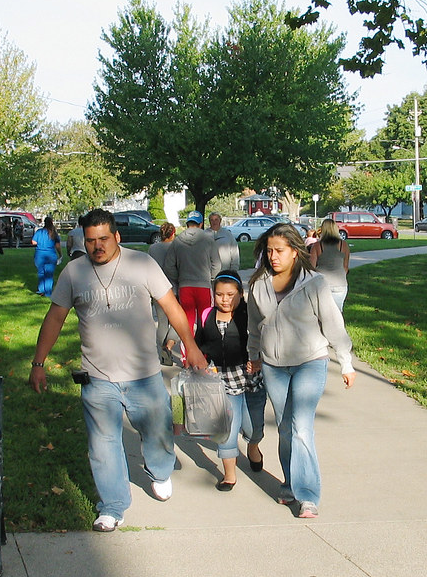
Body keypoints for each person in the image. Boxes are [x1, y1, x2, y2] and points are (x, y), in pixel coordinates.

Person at [29, 208, 207, 532]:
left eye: (103, 239)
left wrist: (191, 346)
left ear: (117, 237)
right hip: (98, 377)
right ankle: (112, 506)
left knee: (157, 432)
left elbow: (171, 306)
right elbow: (55, 318)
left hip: (144, 374)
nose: (97, 246)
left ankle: (160, 471)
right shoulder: (74, 272)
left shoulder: (141, 264)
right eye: (91, 240)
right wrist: (38, 363)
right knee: (103, 445)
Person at [247, 223, 356, 519]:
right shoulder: (258, 284)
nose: (273, 256)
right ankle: (290, 484)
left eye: (279, 251)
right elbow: (254, 326)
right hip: (274, 365)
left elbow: (333, 324)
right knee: (285, 428)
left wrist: (345, 362)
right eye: (269, 251)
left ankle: (307, 496)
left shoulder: (314, 283)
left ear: (295, 251)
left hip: (310, 361)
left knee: (302, 427)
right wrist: (254, 356)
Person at [194, 270, 262, 490]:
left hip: (251, 381)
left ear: (241, 294)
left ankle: (253, 446)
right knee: (227, 430)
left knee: (253, 428)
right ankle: (229, 475)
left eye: (230, 295)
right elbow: (199, 344)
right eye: (219, 294)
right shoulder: (207, 315)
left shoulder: (249, 315)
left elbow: (265, 341)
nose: (225, 300)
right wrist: (200, 364)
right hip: (222, 382)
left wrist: (258, 360)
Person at [165, 210, 220, 334]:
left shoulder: (177, 241)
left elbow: (169, 266)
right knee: (204, 320)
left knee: (187, 321)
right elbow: (217, 264)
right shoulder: (208, 240)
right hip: (203, 286)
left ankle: (187, 346)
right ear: (201, 224)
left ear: (187, 224)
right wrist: (210, 277)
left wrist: (179, 277)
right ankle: (203, 346)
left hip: (185, 286)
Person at [148, 222, 179, 365]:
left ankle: (159, 351)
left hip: (157, 289)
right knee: (177, 321)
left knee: (162, 322)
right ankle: (169, 346)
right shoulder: (176, 247)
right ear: (173, 233)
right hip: (173, 289)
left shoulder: (153, 248)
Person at [309, 219, 351, 312]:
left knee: (322, 312)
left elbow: (311, 268)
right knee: (337, 312)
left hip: (322, 284)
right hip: (340, 284)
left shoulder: (317, 246)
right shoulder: (343, 245)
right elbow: (345, 267)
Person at [31, 216, 63, 296]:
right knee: (49, 274)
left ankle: (41, 290)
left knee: (41, 272)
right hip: (51, 255)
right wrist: (60, 254)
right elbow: (58, 246)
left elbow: (33, 242)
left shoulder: (39, 232)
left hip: (39, 255)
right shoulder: (54, 234)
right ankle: (48, 292)